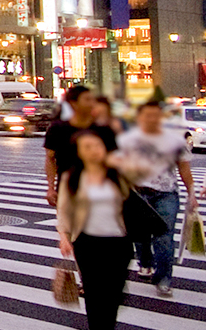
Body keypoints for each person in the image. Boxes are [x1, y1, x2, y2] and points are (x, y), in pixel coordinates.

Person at [56, 130, 135, 330]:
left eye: (97, 146)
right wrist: (64, 236)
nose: (94, 151)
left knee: (114, 294)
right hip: (87, 242)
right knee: (94, 293)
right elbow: (64, 210)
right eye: (87, 147)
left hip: (119, 242)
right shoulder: (72, 177)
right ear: (79, 152)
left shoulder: (118, 174)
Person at [116, 100, 195, 296]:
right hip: (137, 193)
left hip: (166, 193)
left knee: (164, 238)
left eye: (156, 115)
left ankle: (163, 278)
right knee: (141, 236)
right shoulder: (128, 140)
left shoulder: (175, 140)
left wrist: (192, 193)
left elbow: (184, 168)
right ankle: (145, 262)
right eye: (147, 115)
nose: (152, 119)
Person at [45, 85, 117, 207]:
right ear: (74, 103)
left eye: (92, 99)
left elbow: (113, 159)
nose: (92, 103)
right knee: (69, 225)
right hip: (68, 189)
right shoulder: (58, 129)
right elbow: (50, 158)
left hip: (99, 190)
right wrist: (51, 187)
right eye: (87, 100)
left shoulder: (104, 130)